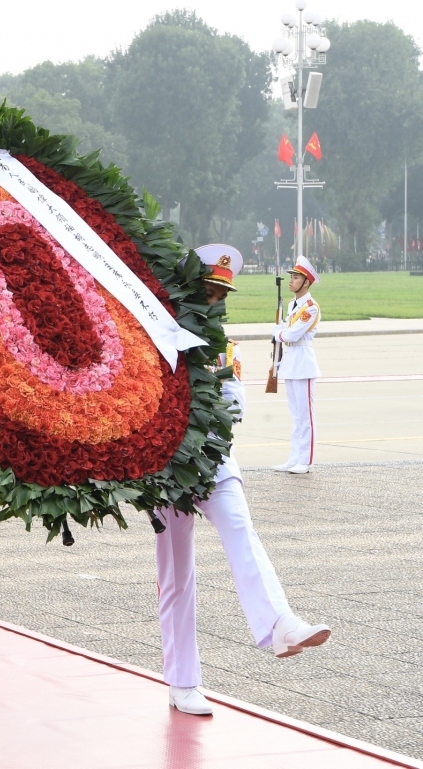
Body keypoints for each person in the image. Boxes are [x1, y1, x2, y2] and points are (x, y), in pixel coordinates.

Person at [157, 245, 331, 717]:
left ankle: (280, 622)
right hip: (166, 469)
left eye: (222, 294)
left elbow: (236, 409)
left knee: (241, 530)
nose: (216, 301)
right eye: (209, 291)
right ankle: (182, 680)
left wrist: (209, 388)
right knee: (176, 576)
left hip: (213, 459)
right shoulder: (158, 338)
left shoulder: (223, 346)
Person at [273, 255, 321, 475]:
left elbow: (292, 333)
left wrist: (279, 333)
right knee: (296, 415)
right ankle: (294, 457)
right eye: (291, 276)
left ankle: (306, 460)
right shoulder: (293, 304)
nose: (291, 280)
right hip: (291, 361)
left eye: (296, 277)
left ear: (307, 282)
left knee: (306, 415)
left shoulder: (310, 307)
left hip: (303, 362)